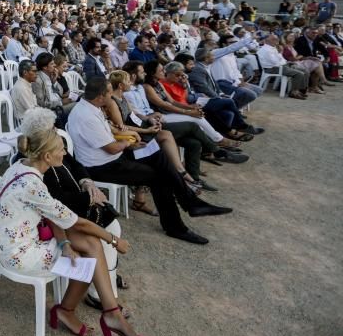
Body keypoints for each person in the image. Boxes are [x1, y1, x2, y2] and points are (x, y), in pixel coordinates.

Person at [0, 109, 152, 336]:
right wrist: (113, 240)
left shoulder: (24, 166)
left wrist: (64, 242)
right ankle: (84, 311)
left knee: (88, 246)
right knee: (86, 257)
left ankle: (107, 312)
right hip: (19, 252)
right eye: (61, 149)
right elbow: (74, 220)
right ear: (48, 157)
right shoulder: (34, 184)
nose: (65, 152)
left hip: (26, 234)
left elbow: (51, 216)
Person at [67, 77, 230, 245]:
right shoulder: (86, 116)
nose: (112, 96)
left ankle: (190, 204)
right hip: (102, 166)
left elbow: (111, 139)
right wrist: (129, 142)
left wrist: (131, 142)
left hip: (112, 158)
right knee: (159, 178)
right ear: (100, 97)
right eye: (109, 93)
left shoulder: (92, 107)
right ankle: (178, 222)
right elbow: (112, 148)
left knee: (158, 155)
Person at [257, 34, 308, 99]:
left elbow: (281, 60)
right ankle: (293, 92)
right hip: (273, 68)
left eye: (277, 39)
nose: (276, 40)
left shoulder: (272, 47)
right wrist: (281, 54)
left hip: (280, 66)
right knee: (299, 74)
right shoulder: (267, 50)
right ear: (266, 40)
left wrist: (285, 62)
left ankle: (300, 90)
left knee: (305, 71)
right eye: (274, 39)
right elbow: (276, 62)